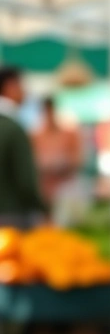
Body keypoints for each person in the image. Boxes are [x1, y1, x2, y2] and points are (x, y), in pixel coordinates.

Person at [0, 66, 46, 228]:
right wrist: (42, 208)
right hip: (12, 216)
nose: (25, 93)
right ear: (10, 86)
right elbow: (25, 180)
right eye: (22, 86)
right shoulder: (13, 128)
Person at [32, 96, 82, 205]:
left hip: (66, 188)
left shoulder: (69, 134)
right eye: (46, 112)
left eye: (51, 111)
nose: (49, 115)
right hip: (44, 189)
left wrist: (61, 165)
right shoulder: (35, 136)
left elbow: (77, 160)